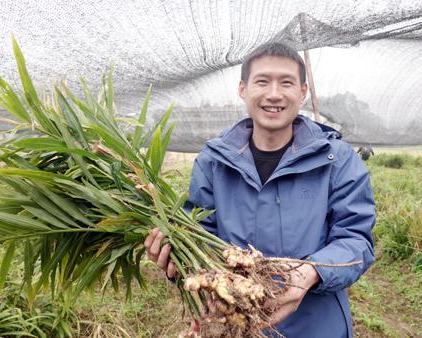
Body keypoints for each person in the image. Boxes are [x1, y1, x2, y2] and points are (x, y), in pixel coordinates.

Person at [144, 42, 375, 338]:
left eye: (287, 83)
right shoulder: (213, 162)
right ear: (243, 89)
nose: (274, 94)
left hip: (316, 326)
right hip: (234, 322)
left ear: (302, 92)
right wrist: (176, 257)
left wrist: (311, 273)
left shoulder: (338, 160)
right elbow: (200, 234)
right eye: (262, 81)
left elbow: (356, 240)